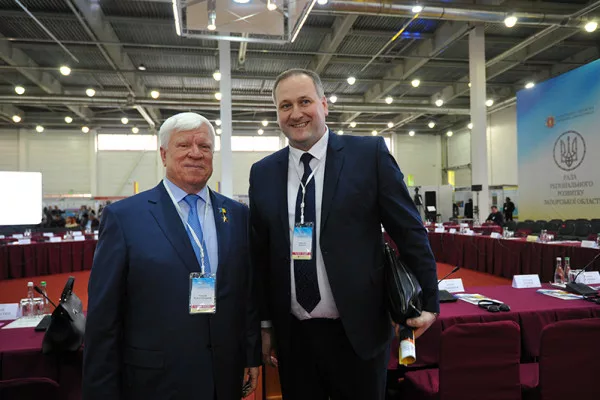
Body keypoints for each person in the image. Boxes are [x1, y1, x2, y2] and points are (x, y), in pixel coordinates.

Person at [249, 69, 439, 400]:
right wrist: (265, 324)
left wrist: (430, 302)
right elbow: (261, 255)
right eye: (285, 105)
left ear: (324, 104)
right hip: (294, 337)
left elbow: (409, 231)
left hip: (358, 332)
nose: (296, 113)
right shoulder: (263, 173)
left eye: (305, 101)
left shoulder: (368, 155)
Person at [83, 112, 261, 400]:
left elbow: (246, 293)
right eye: (184, 145)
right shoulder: (125, 217)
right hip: (156, 379)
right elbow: (104, 316)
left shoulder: (237, 214)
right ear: (164, 154)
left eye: (204, 146)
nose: (196, 153)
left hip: (224, 373)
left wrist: (251, 353)